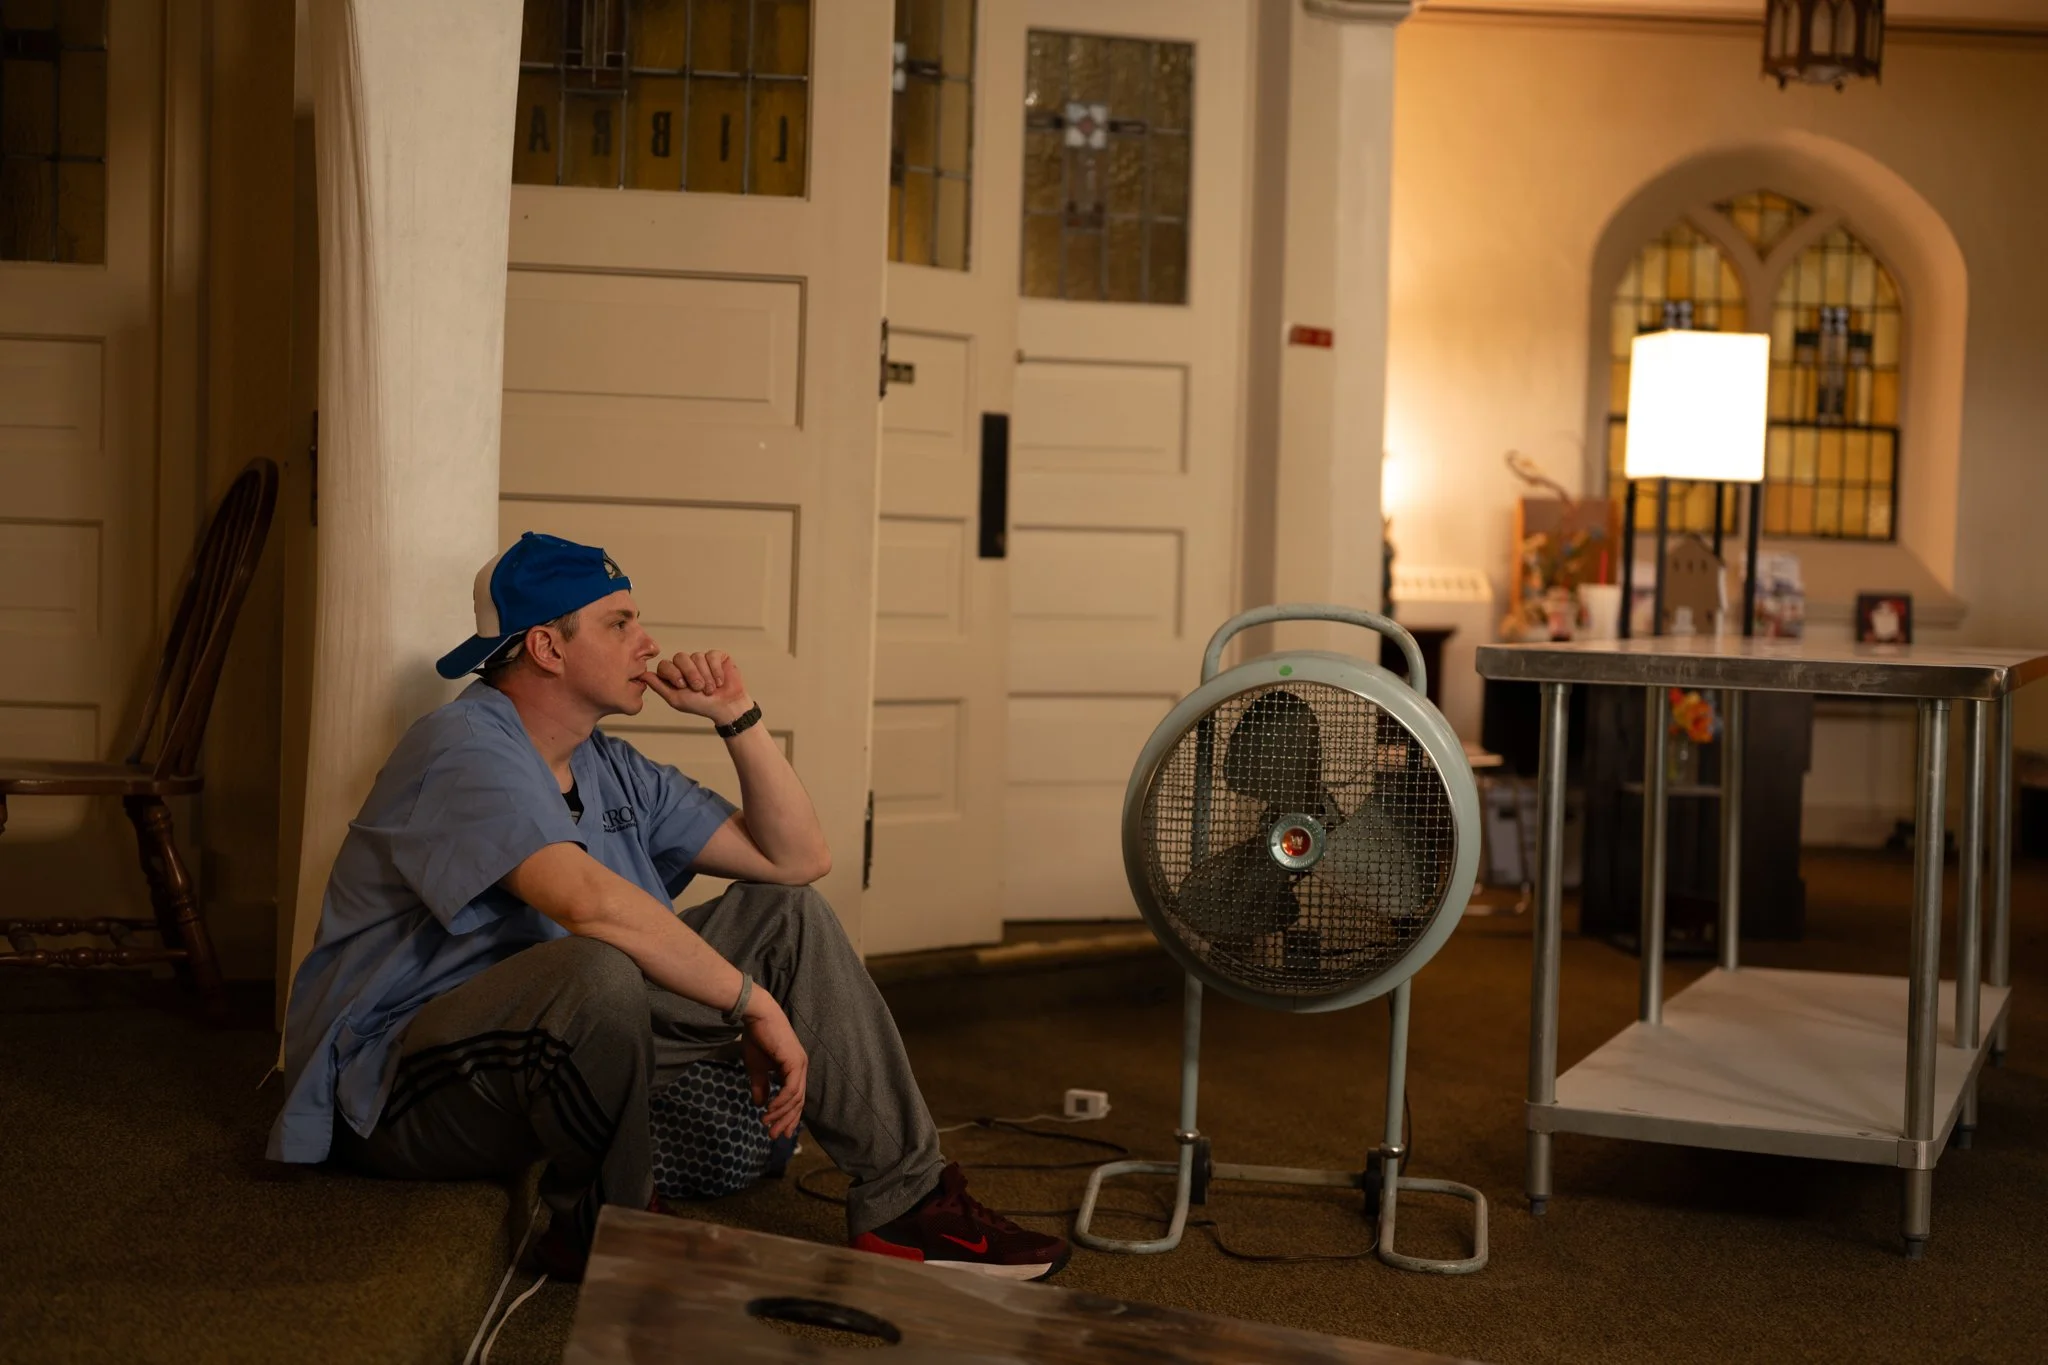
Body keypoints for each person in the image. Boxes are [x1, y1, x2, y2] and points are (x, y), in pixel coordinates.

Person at [268, 532, 1069, 1281]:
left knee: (782, 914)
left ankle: (908, 1204)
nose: (649, 641)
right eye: (620, 623)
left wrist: (737, 718)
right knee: (597, 962)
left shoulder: (610, 765)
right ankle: (609, 1221)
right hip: (401, 1083)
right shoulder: (462, 748)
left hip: (552, 1050)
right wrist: (755, 1005)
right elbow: (586, 903)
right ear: (548, 645)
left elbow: (796, 860)